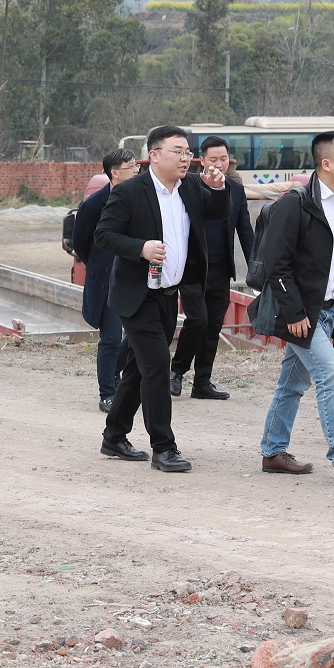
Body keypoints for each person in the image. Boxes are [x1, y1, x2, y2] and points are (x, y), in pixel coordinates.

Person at [254, 130, 334, 480]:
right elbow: (277, 263)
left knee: (293, 383)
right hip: (300, 312)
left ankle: (273, 451)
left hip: (331, 311)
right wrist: (293, 312)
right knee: (331, 371)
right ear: (326, 163)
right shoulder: (298, 203)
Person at [92, 127, 206, 473]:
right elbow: (103, 235)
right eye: (177, 151)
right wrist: (140, 248)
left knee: (141, 370)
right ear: (154, 155)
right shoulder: (130, 192)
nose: (185, 158)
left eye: (187, 152)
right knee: (157, 365)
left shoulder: (192, 190)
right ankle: (164, 448)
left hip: (168, 294)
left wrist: (219, 186)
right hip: (137, 294)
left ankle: (113, 436)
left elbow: (220, 210)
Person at [170, 135, 257, 401]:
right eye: (212, 159)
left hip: (221, 269)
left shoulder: (236, 189)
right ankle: (177, 370)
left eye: (223, 159)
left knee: (212, 326)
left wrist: (257, 266)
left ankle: (202, 382)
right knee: (198, 320)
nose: (218, 164)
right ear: (202, 160)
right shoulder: (188, 185)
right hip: (192, 268)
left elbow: (245, 231)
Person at [73, 150, 138, 410]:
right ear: (115, 172)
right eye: (131, 166)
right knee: (110, 338)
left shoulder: (142, 199)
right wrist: (101, 266)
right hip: (108, 282)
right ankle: (107, 394)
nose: (136, 171)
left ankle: (115, 371)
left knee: (139, 335)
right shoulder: (92, 205)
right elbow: (81, 244)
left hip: (136, 278)